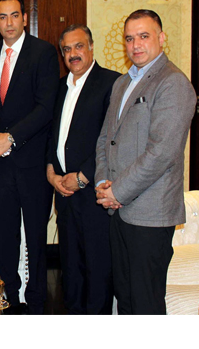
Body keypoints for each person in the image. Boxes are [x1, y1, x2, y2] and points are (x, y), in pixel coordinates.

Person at [95, 9, 197, 314]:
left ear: (161, 38)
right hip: (119, 212)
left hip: (150, 215)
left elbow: (162, 153)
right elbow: (105, 139)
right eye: (129, 38)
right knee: (125, 299)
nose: (136, 44)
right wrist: (103, 182)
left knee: (146, 304)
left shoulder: (174, 83)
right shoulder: (122, 83)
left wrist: (117, 191)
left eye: (144, 36)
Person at [0, 0, 59, 314]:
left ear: (24, 18)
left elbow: (45, 108)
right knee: (5, 233)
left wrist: (10, 138)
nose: (9, 22)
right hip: (2, 162)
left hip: (32, 159)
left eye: (14, 16)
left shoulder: (43, 52)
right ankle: (8, 296)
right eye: (2, 17)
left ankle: (36, 300)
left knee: (36, 236)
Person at [46, 25, 120, 314]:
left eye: (79, 46)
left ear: (91, 47)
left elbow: (112, 137)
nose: (73, 54)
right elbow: (54, 135)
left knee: (98, 268)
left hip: (94, 193)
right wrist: (52, 173)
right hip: (64, 193)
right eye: (67, 49)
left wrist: (82, 177)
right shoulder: (61, 86)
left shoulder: (111, 83)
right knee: (71, 268)